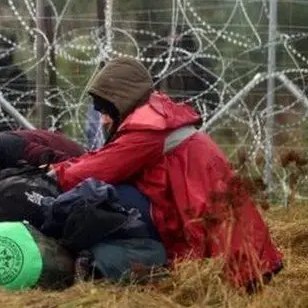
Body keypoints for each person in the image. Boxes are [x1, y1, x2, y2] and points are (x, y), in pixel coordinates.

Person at [49, 56, 283, 290]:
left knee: (104, 196)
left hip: (218, 239)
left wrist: (54, 176)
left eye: (105, 109)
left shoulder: (148, 130)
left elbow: (99, 169)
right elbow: (106, 156)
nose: (102, 120)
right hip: (222, 231)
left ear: (121, 100)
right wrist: (64, 166)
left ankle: (100, 263)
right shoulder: (156, 116)